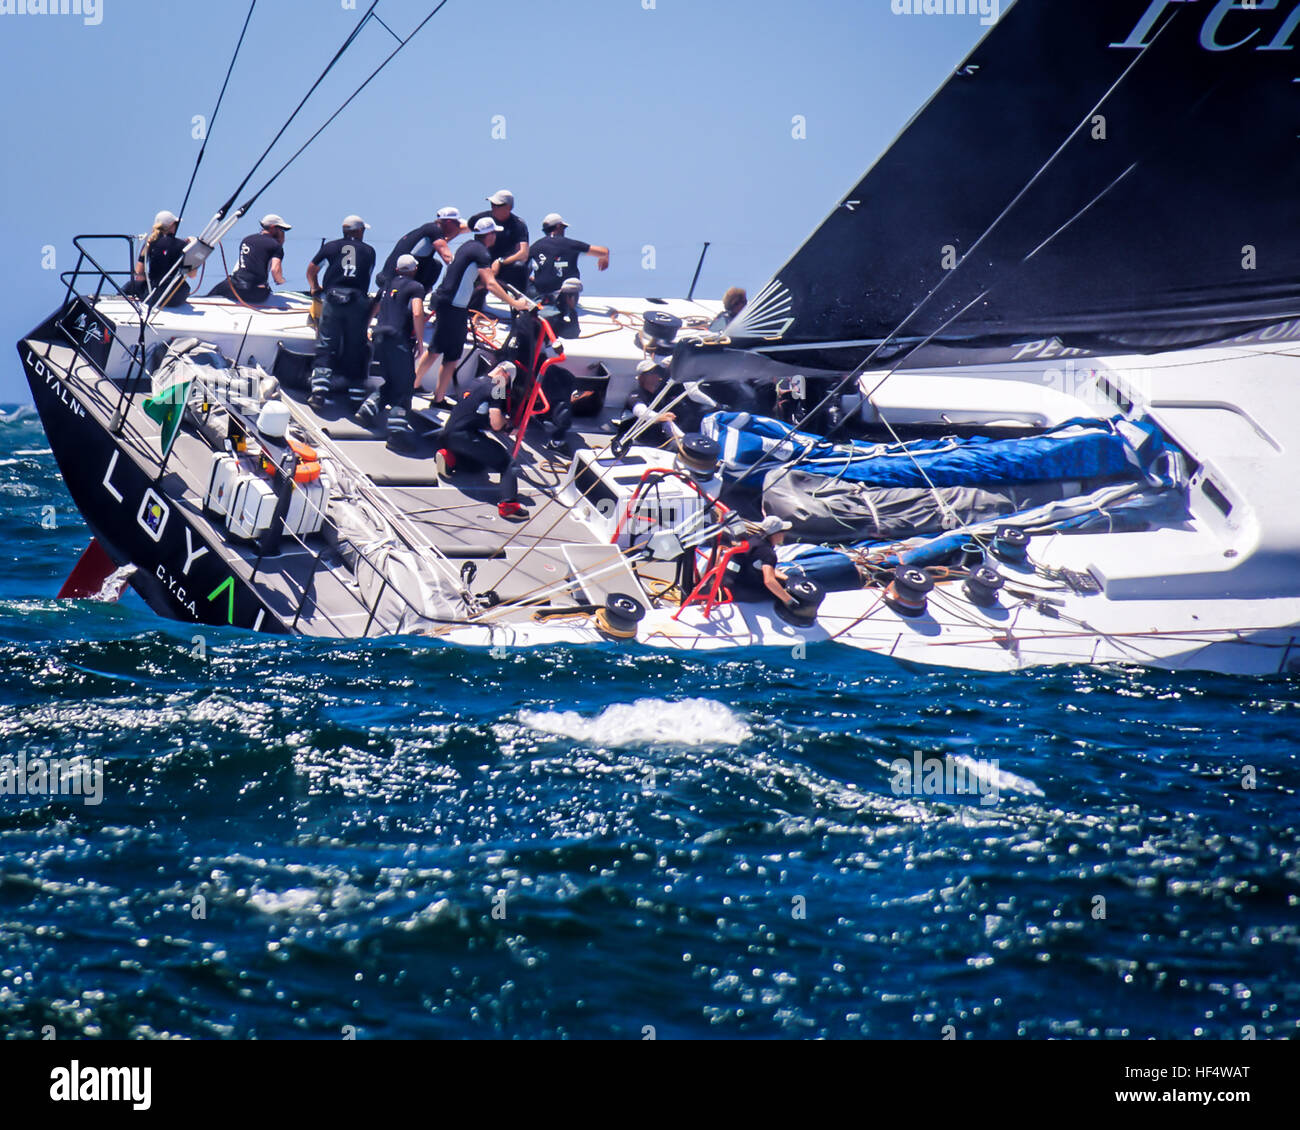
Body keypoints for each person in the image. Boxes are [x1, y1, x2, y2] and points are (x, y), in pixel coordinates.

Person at [416, 216, 532, 405]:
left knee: (447, 354)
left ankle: (431, 394)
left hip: (452, 306)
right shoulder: (482, 253)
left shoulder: (468, 246)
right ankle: (419, 389)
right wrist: (515, 303)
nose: (495, 237)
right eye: (494, 233)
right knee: (441, 352)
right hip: (453, 307)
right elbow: (491, 283)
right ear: (489, 235)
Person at [435, 362, 527, 519]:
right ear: (505, 375)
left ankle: (450, 458)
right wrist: (509, 427)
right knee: (507, 463)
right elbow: (496, 422)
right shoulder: (498, 384)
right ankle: (508, 506)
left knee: (478, 466)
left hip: (449, 434)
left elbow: (474, 411)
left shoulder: (476, 381)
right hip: (466, 436)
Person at [306, 215, 377, 408]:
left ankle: (319, 392)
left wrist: (315, 288)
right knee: (356, 346)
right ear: (359, 231)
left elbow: (311, 270)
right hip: (357, 300)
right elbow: (366, 274)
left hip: (333, 298)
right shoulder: (370, 251)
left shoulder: (330, 247)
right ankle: (355, 396)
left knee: (326, 343)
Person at [358, 254, 427, 445]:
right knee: (405, 384)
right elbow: (417, 311)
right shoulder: (416, 287)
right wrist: (420, 342)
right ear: (414, 270)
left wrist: (366, 328)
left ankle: (368, 409)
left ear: (397, 270)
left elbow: (375, 307)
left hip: (379, 337)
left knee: (394, 381)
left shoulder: (387, 284)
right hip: (398, 339)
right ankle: (397, 433)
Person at [374, 207, 468, 293]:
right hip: (393, 280)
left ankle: (421, 293)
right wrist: (466, 273)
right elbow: (447, 257)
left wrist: (479, 228)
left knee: (435, 264)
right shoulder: (434, 230)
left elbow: (458, 231)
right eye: (458, 224)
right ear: (448, 222)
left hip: (387, 276)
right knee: (436, 266)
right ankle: (419, 295)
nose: (459, 227)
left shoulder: (428, 230)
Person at [208, 214, 291, 305]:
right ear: (272, 228)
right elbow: (275, 271)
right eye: (281, 229)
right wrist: (281, 280)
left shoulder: (247, 240)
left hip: (236, 287)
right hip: (255, 294)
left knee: (215, 291)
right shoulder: (276, 246)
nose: (283, 233)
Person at [528, 213, 609, 299]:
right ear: (559, 226)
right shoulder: (571, 244)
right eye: (564, 228)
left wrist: (536, 279)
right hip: (565, 296)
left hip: (540, 294)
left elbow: (521, 269)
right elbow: (604, 251)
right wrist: (604, 258)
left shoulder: (535, 247)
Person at [467, 189, 530, 298]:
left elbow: (523, 254)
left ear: (509, 207)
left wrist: (500, 262)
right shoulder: (480, 219)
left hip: (504, 265)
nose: (493, 207)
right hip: (481, 262)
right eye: (492, 204)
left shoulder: (518, 225)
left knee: (519, 267)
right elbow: (463, 228)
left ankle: (520, 303)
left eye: (498, 205)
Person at [127, 210, 196, 307]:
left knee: (130, 286)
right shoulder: (183, 245)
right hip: (178, 296)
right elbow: (192, 275)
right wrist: (193, 248)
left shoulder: (149, 244)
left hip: (156, 296)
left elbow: (139, 275)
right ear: (172, 225)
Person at [728, 516, 796, 606]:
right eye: (783, 531)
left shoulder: (753, 539)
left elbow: (766, 567)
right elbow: (769, 581)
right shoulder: (768, 553)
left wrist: (787, 578)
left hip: (728, 581)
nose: (784, 534)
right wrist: (789, 600)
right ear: (776, 534)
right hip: (739, 591)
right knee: (777, 595)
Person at [623, 359, 683, 449]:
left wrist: (683, 439)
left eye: (658, 372)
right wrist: (659, 417)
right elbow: (642, 412)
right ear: (641, 377)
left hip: (657, 444)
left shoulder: (658, 397)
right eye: (652, 372)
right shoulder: (635, 395)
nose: (657, 376)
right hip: (637, 443)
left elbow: (666, 423)